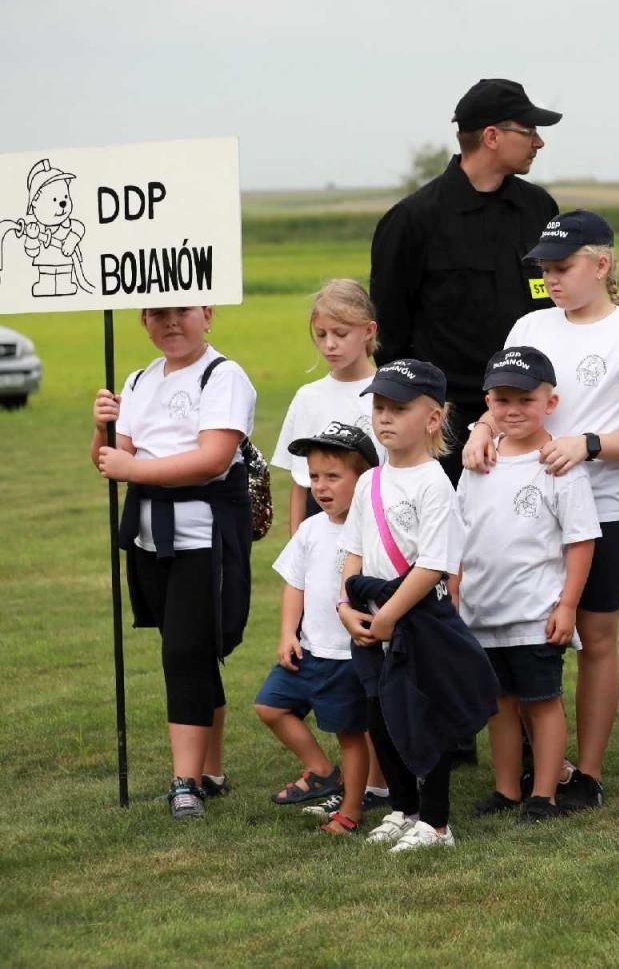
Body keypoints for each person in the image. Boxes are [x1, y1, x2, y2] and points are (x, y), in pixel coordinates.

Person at [462, 210, 619, 811]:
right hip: (524, 511)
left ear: (601, 265)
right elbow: (505, 400)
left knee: (594, 636)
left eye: (562, 267)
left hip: (602, 508)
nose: (551, 279)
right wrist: (479, 430)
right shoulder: (529, 325)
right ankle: (536, 768)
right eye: (545, 270)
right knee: (523, 635)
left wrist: (590, 444)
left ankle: (589, 774)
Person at [91, 306, 256, 819]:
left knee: (184, 653)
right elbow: (113, 460)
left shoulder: (222, 375)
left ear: (206, 314)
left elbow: (212, 459)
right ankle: (211, 770)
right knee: (190, 649)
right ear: (143, 321)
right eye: (157, 314)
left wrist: (134, 465)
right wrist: (101, 429)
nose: (170, 323)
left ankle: (184, 783)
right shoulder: (138, 379)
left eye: (181, 312)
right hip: (148, 539)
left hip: (202, 537)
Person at [337, 359, 497, 853]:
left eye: (399, 409)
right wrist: (349, 607)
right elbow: (354, 551)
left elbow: (433, 565)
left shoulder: (434, 483)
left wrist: (389, 616)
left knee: (424, 719)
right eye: (379, 408)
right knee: (381, 717)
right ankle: (403, 809)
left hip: (417, 616)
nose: (384, 418)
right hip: (371, 615)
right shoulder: (369, 482)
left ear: (432, 418)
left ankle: (436, 823)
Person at [369, 78, 561, 483]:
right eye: (528, 131)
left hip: (532, 417)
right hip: (449, 429)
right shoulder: (413, 220)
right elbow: (390, 337)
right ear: (491, 136)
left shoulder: (540, 209)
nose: (538, 142)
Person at [457, 348, 600, 825]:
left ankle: (544, 795)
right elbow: (458, 534)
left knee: (542, 703)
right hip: (482, 610)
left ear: (550, 402)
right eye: (501, 399)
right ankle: (506, 790)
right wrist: (456, 598)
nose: (512, 409)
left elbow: (580, 541)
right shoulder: (478, 462)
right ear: (487, 401)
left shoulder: (559, 464)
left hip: (536, 612)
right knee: (499, 706)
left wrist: (567, 605)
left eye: (525, 399)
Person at [255, 422, 379, 835]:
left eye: (333, 477)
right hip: (308, 649)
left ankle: (351, 810)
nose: (320, 488)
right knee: (269, 706)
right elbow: (296, 584)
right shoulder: (310, 529)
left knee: (350, 734)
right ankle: (322, 770)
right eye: (314, 477)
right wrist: (288, 633)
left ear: (362, 480)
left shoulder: (371, 531)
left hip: (347, 656)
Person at [270, 279, 383, 533]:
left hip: (378, 527)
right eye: (321, 334)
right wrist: (297, 550)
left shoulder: (388, 395)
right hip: (322, 527)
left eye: (340, 333)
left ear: (368, 331)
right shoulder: (308, 398)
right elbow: (301, 485)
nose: (329, 344)